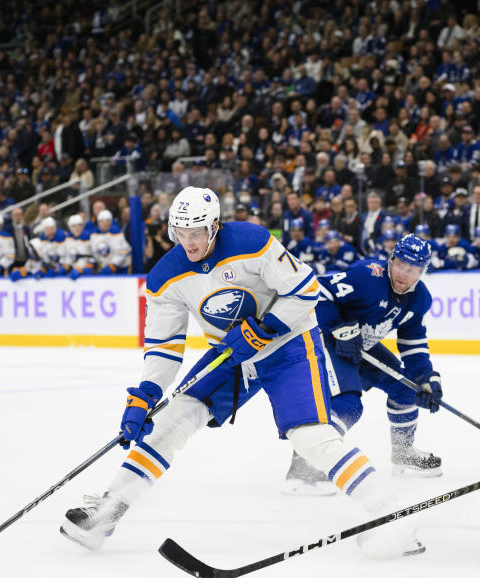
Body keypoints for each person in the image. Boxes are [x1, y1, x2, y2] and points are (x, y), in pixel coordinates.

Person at [60, 187, 423, 557]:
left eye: (197, 233)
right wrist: (147, 393)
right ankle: (107, 512)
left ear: (214, 226)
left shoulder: (252, 240)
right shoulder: (165, 276)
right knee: (171, 419)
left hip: (290, 344)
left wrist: (265, 329)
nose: (189, 242)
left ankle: (391, 513)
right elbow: (164, 345)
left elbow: (305, 291)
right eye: (180, 234)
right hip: (232, 352)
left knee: (310, 436)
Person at [284, 233, 444, 494]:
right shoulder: (367, 275)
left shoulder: (419, 299)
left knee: (407, 390)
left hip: (361, 348)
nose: (403, 273)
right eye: (400, 264)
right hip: (326, 342)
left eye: (412, 269)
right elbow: (318, 291)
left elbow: (413, 344)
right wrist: (338, 327)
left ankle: (403, 453)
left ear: (422, 272)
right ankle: (306, 466)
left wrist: (426, 378)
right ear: (392, 260)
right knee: (348, 405)